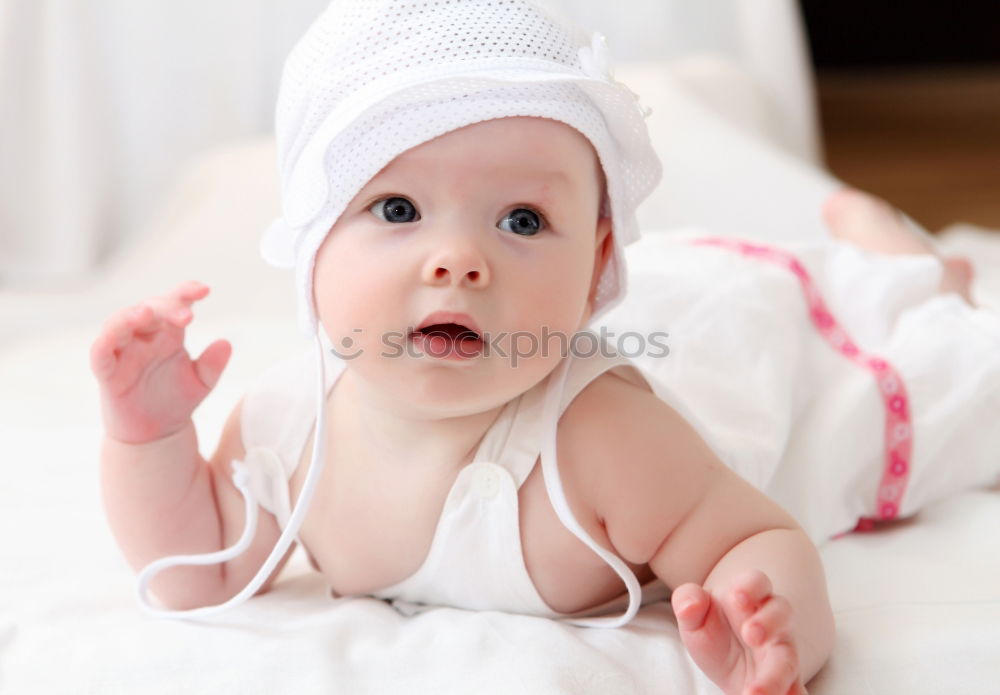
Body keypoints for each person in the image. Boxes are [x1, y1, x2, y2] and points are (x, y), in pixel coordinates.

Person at [90, 2, 1000, 694]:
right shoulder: (286, 427)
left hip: (750, 349)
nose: (460, 259)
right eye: (398, 210)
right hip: (687, 308)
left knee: (938, 368)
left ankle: (906, 260)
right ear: (314, 241)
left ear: (597, 262)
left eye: (523, 219)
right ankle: (880, 249)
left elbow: (757, 534)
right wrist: (150, 438)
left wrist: (769, 618)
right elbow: (199, 571)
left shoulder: (603, 444)